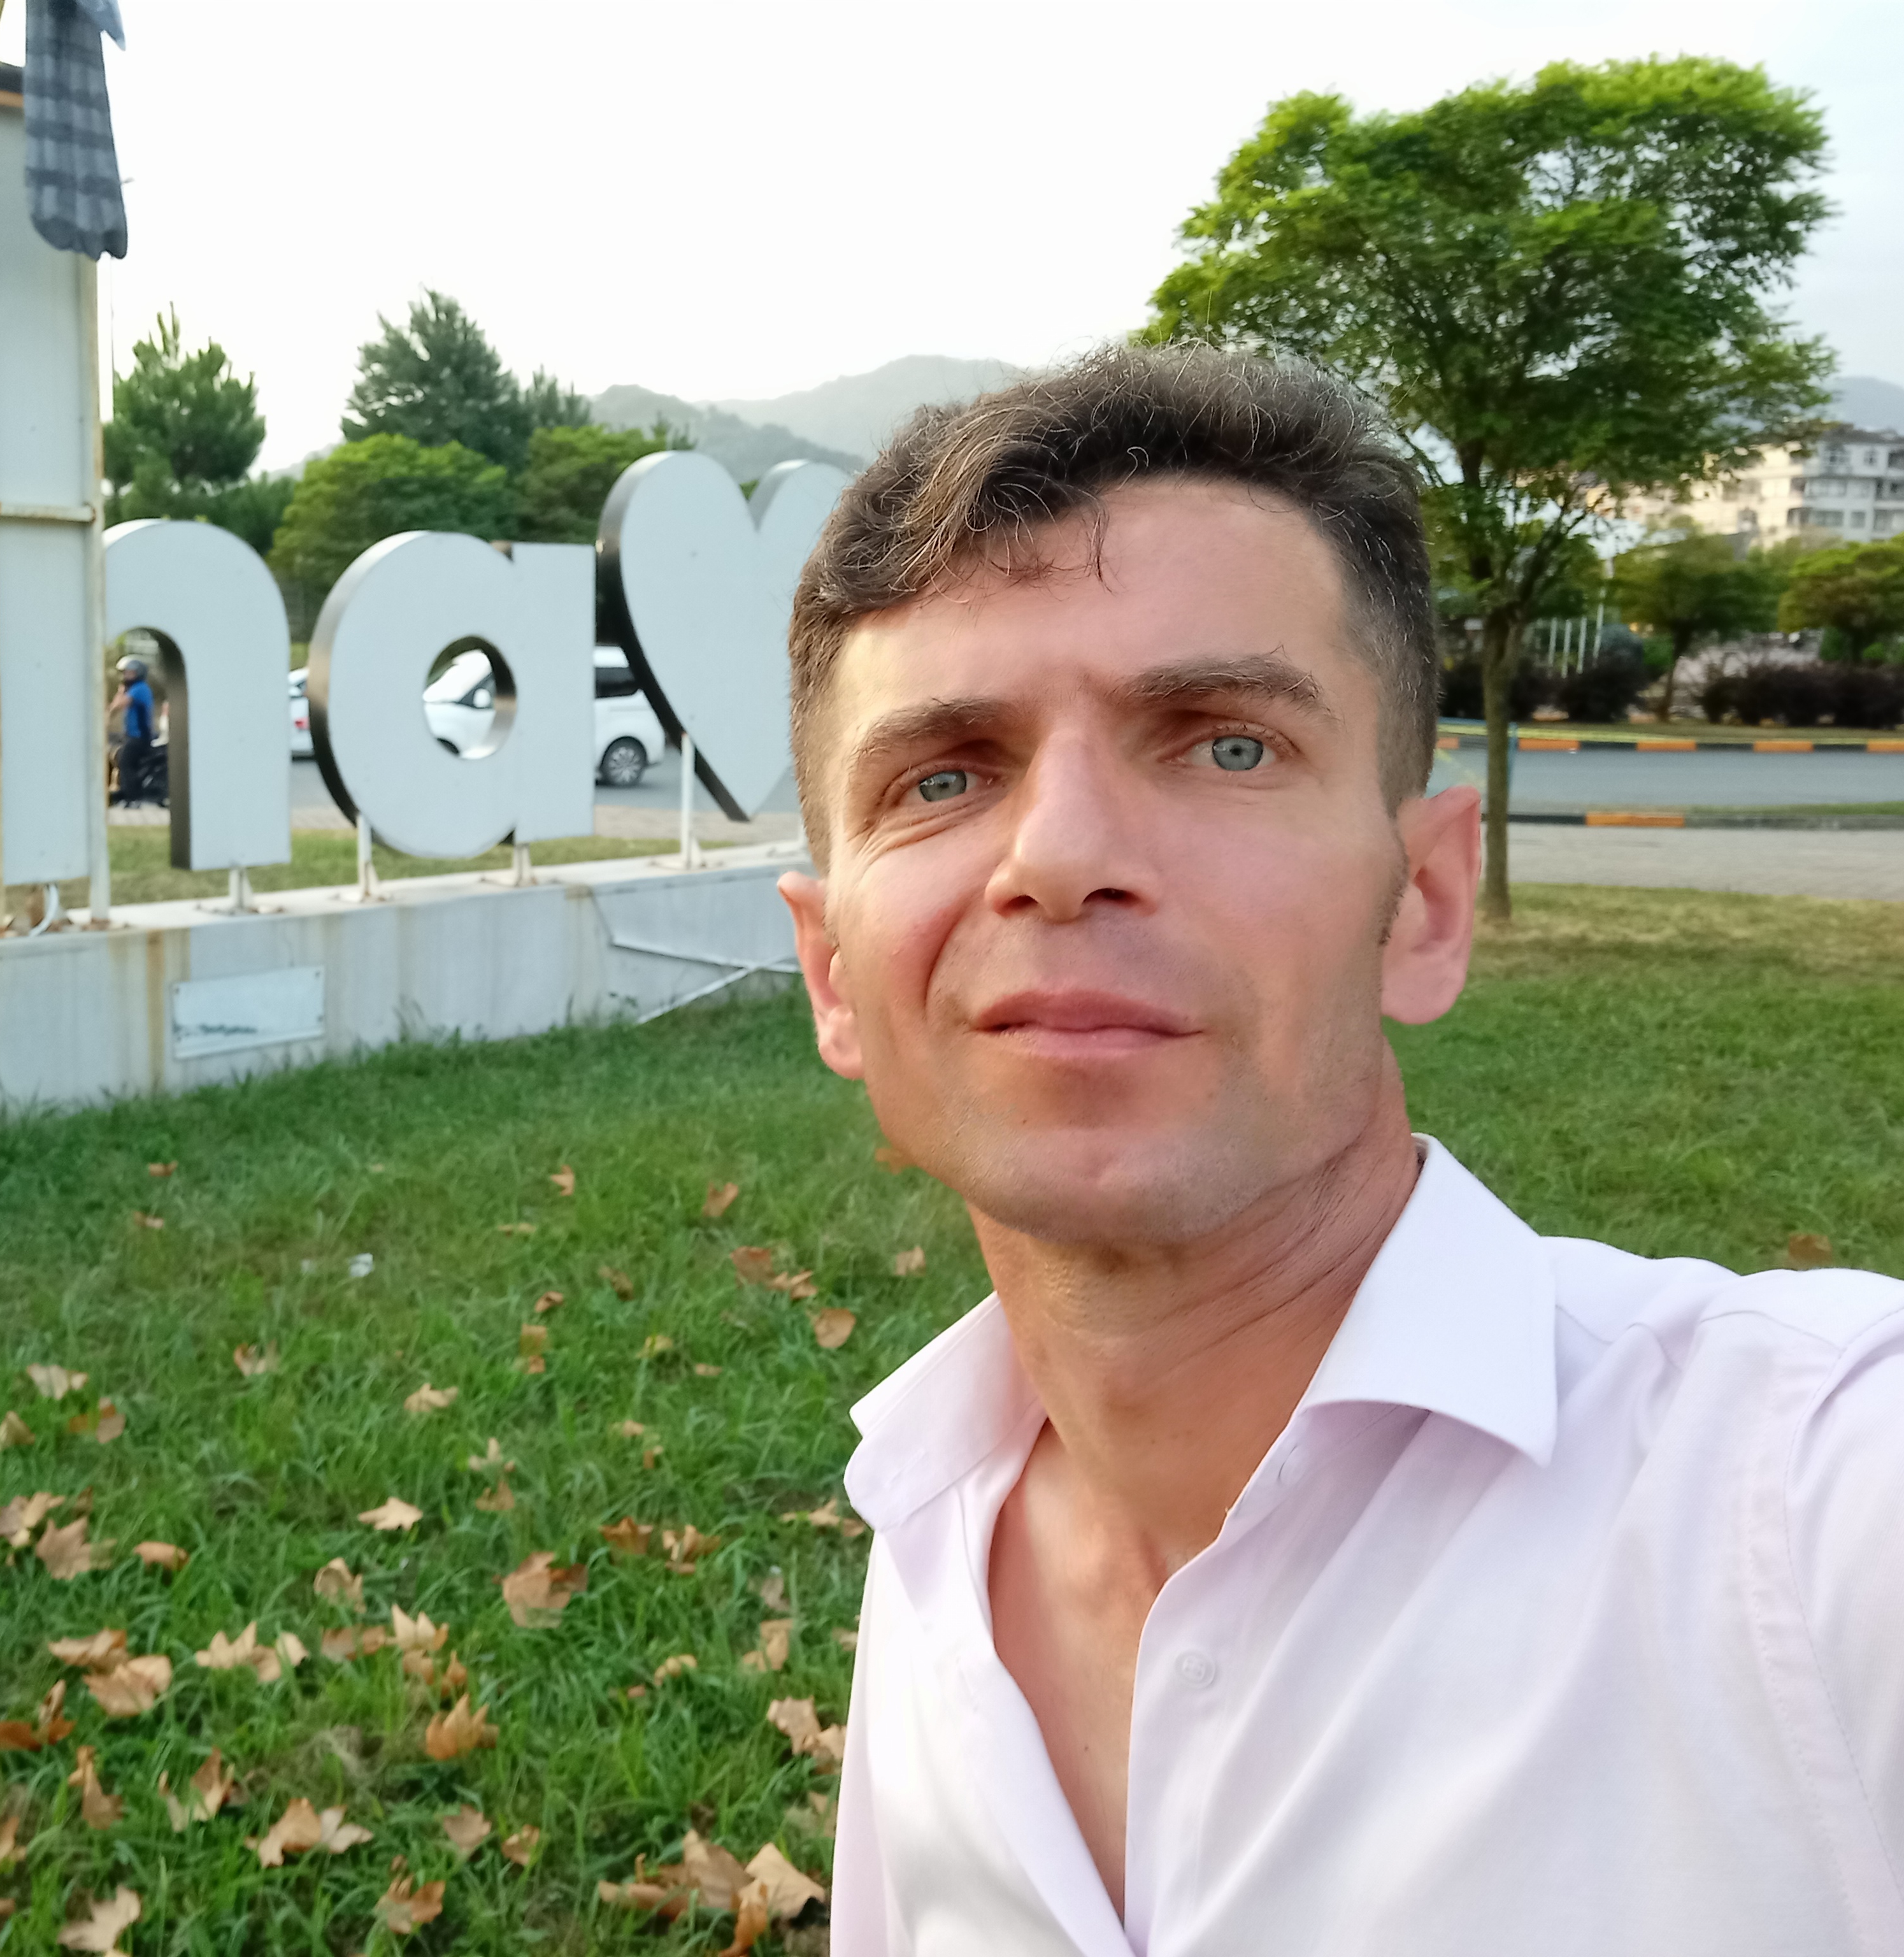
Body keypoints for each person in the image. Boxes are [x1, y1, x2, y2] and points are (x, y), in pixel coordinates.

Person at [778, 345, 1904, 1954]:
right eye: (942, 774)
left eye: (1224, 742)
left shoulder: (1808, 1511)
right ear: (833, 974)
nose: (1062, 854)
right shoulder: (931, 1536)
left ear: (1423, 904)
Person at [108, 653, 164, 806]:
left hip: (140, 737)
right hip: (131, 736)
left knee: (126, 761)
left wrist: (121, 692)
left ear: (139, 673)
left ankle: (133, 798)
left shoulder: (140, 689)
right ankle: (123, 793)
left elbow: (119, 705)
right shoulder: (134, 689)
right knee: (118, 756)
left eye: (129, 673)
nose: (125, 676)